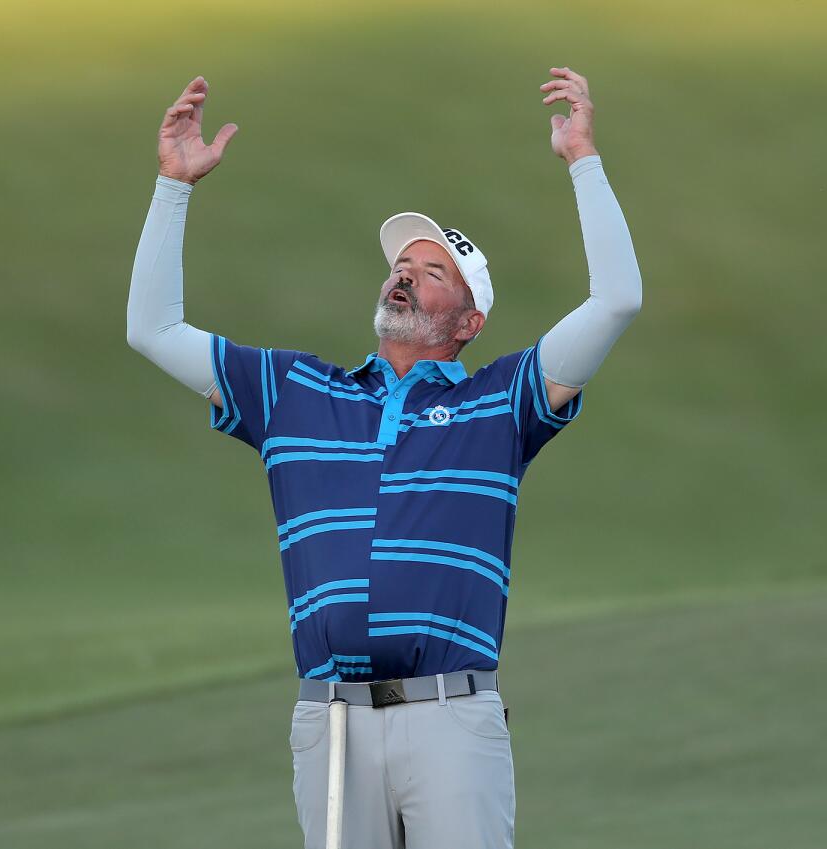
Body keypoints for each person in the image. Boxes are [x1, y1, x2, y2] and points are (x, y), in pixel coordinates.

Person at [127, 67, 642, 849]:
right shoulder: (293, 390)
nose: (404, 272)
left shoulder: (499, 404)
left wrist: (582, 160)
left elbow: (617, 301)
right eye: (403, 263)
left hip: (451, 718)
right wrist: (173, 187)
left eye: (432, 271)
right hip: (330, 721)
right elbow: (153, 331)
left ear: (468, 321)